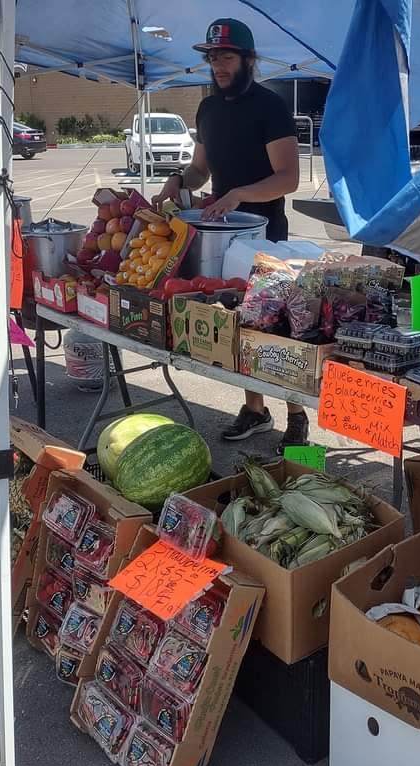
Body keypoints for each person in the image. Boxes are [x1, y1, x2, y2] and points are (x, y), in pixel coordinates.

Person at [154, 18, 307, 452]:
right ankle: (255, 410)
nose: (218, 65)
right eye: (212, 57)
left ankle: (296, 415)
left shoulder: (270, 106)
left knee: (275, 328)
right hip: (221, 233)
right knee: (235, 322)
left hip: (265, 235)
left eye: (226, 56)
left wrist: (240, 193)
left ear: (248, 59)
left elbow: (288, 179)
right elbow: (199, 169)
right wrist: (176, 179)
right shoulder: (208, 108)